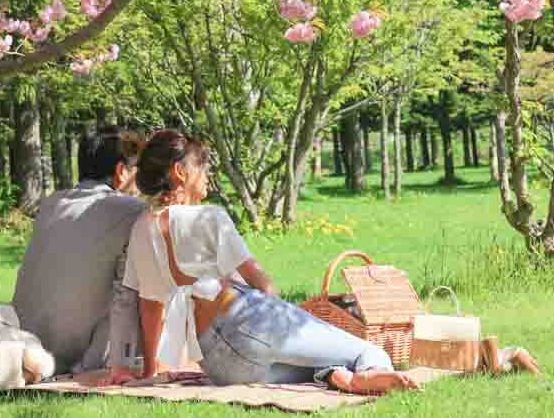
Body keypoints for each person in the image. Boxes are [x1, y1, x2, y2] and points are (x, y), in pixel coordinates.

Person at [99, 129, 421, 394]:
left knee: (311, 364)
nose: (208, 174)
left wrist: (152, 372)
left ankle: (338, 376)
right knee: (369, 351)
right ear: (180, 172)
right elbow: (263, 285)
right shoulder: (209, 217)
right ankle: (368, 371)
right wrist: (285, 320)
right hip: (248, 320)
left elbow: (149, 305)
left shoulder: (141, 228)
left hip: (219, 364)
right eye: (203, 166)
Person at [12, 125, 146, 375]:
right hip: (75, 358)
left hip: (24, 345)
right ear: (121, 172)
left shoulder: (52, 203)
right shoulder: (129, 210)